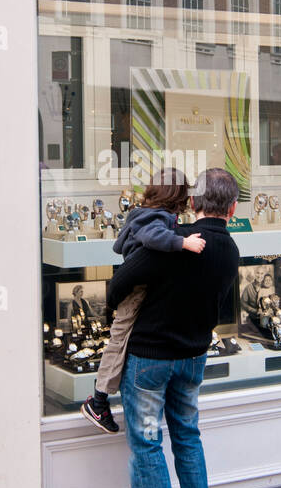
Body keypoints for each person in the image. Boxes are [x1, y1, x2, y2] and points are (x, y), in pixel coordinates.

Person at [104, 167, 241, 488]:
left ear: (193, 203)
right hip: (193, 358)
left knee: (147, 444)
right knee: (187, 436)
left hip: (150, 359)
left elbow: (119, 284)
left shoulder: (174, 241)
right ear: (232, 209)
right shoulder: (230, 249)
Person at [81, 169, 205, 434]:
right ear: (176, 196)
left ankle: (102, 396)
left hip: (142, 291)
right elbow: (153, 238)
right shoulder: (154, 219)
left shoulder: (149, 215)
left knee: (123, 337)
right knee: (120, 336)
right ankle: (98, 400)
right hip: (135, 289)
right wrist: (182, 243)